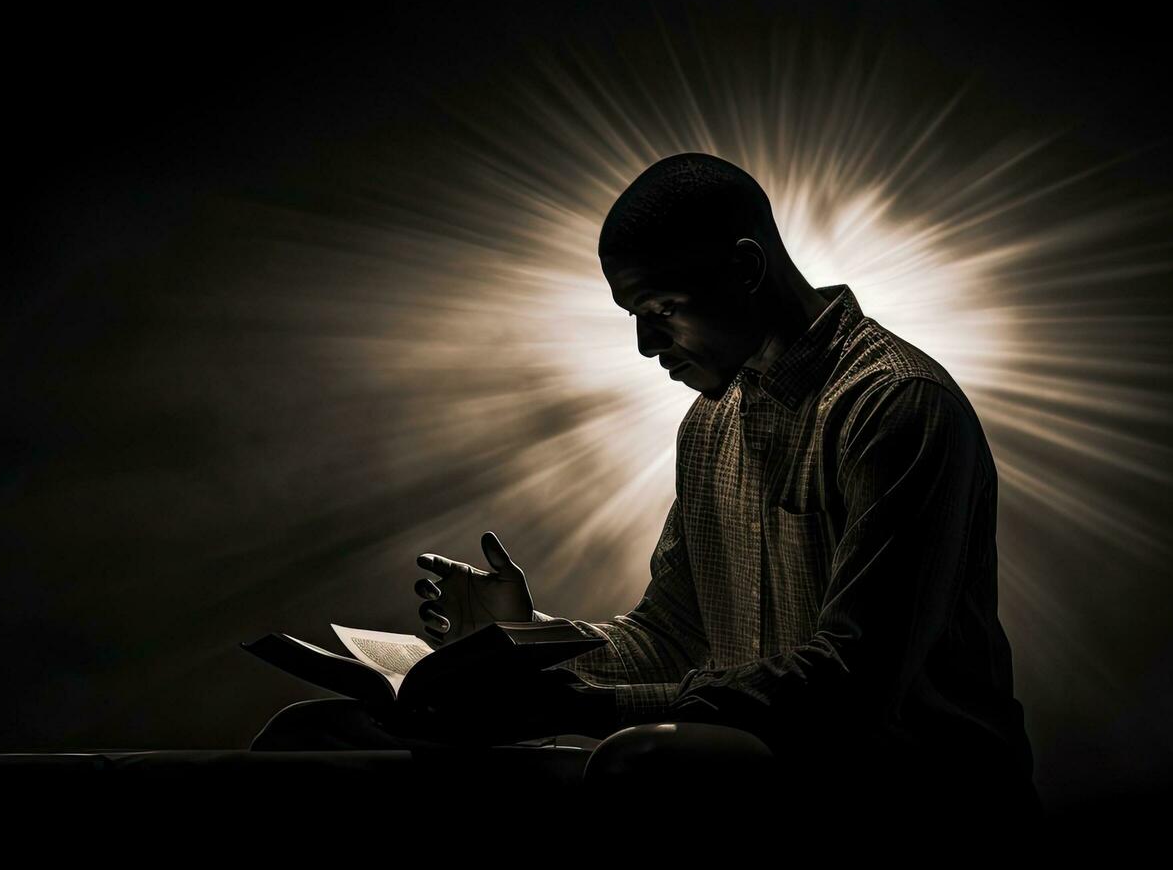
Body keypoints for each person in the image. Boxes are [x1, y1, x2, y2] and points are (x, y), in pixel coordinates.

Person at [405, 152, 1041, 819]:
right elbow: (671, 635)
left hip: (919, 793)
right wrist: (524, 643)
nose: (648, 345)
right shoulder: (708, 425)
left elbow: (851, 686)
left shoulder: (897, 406)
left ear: (744, 269)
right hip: (788, 776)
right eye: (634, 316)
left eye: (662, 308)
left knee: (637, 766)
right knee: (335, 734)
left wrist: (586, 707)